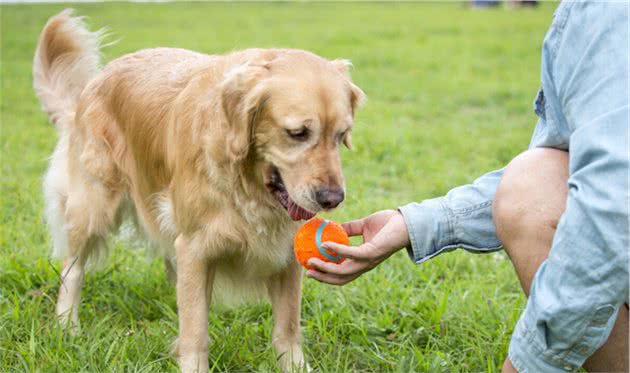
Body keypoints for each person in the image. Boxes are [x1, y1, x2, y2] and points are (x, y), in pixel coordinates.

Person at [306, 2, 629, 372]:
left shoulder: (606, 12)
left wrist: (527, 365)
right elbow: (580, 178)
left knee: (532, 185)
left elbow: (611, 203)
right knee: (537, 178)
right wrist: (411, 224)